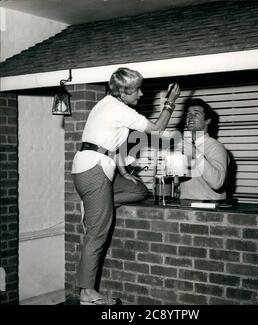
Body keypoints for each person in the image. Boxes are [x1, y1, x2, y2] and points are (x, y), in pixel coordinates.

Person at [71, 67, 180, 305]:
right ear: (124, 91)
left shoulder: (108, 104)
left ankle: (97, 205)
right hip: (94, 170)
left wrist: (123, 172)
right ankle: (87, 293)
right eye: (137, 90)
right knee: (97, 232)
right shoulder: (118, 108)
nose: (141, 94)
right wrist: (170, 102)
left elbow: (109, 143)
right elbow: (158, 130)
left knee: (138, 189)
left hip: (95, 167)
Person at [179, 98, 228, 201]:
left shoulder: (216, 147)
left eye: (196, 114)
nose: (190, 117)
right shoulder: (184, 146)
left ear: (207, 120)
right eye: (188, 114)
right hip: (185, 205)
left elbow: (217, 183)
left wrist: (195, 153)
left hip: (210, 208)